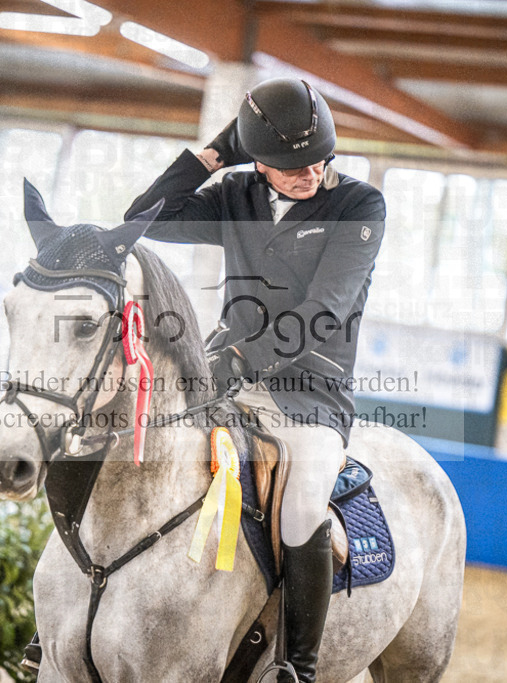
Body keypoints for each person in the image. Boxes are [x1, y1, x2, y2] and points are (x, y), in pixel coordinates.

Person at [125, 77, 385, 682]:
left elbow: (328, 310)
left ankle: (300, 665)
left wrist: (243, 359)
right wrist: (215, 152)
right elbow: (141, 219)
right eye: (293, 166)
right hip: (225, 380)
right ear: (257, 160)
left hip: (312, 394)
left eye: (320, 160)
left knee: (300, 506)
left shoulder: (359, 205)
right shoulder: (235, 194)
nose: (311, 174)